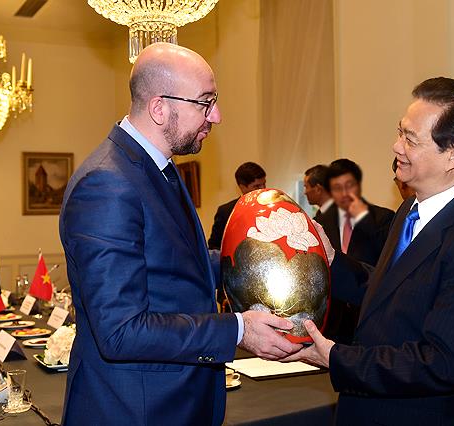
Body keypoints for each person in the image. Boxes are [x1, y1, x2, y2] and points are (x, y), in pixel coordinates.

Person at [59, 43, 300, 426]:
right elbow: (121, 331)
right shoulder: (107, 184)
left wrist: (268, 254)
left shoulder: (156, 167)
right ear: (159, 108)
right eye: (205, 102)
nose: (216, 116)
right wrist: (238, 329)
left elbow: (176, 263)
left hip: (172, 401)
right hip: (135, 410)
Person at [283, 77, 454, 425]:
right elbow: (391, 291)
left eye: (410, 139)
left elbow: (444, 362)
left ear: (453, 154)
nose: (396, 146)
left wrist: (337, 357)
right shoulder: (409, 211)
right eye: (399, 132)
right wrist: (330, 260)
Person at [318, 158, 395, 344]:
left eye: (349, 185)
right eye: (337, 187)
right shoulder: (323, 220)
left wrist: (363, 217)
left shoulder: (383, 218)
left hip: (368, 313)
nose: (344, 193)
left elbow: (389, 261)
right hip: (334, 319)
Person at [207, 161, 266, 250]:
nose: (263, 189)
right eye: (257, 186)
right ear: (242, 187)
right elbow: (214, 246)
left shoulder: (272, 207)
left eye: (264, 184)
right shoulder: (226, 212)